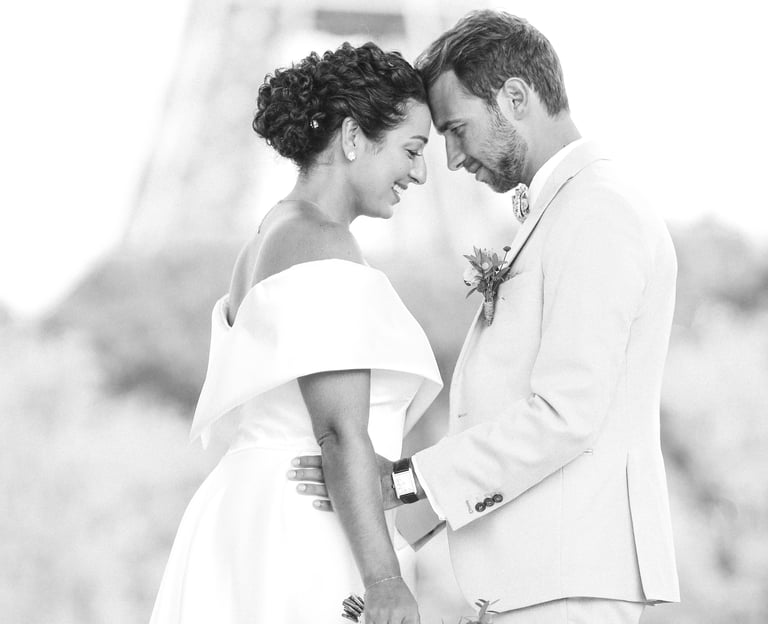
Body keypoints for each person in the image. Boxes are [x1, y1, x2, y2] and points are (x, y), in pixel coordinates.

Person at [290, 11, 680, 623]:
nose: (448, 158)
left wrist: (403, 483)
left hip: (566, 581)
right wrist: (392, 503)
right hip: (540, 576)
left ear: (516, 98)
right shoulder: (563, 211)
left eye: (456, 129)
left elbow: (566, 414)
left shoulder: (598, 211)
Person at [149, 42, 442, 624]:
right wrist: (384, 580)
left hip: (263, 517)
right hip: (304, 530)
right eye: (411, 149)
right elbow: (338, 430)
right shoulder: (319, 240)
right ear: (354, 137)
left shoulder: (271, 235)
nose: (421, 171)